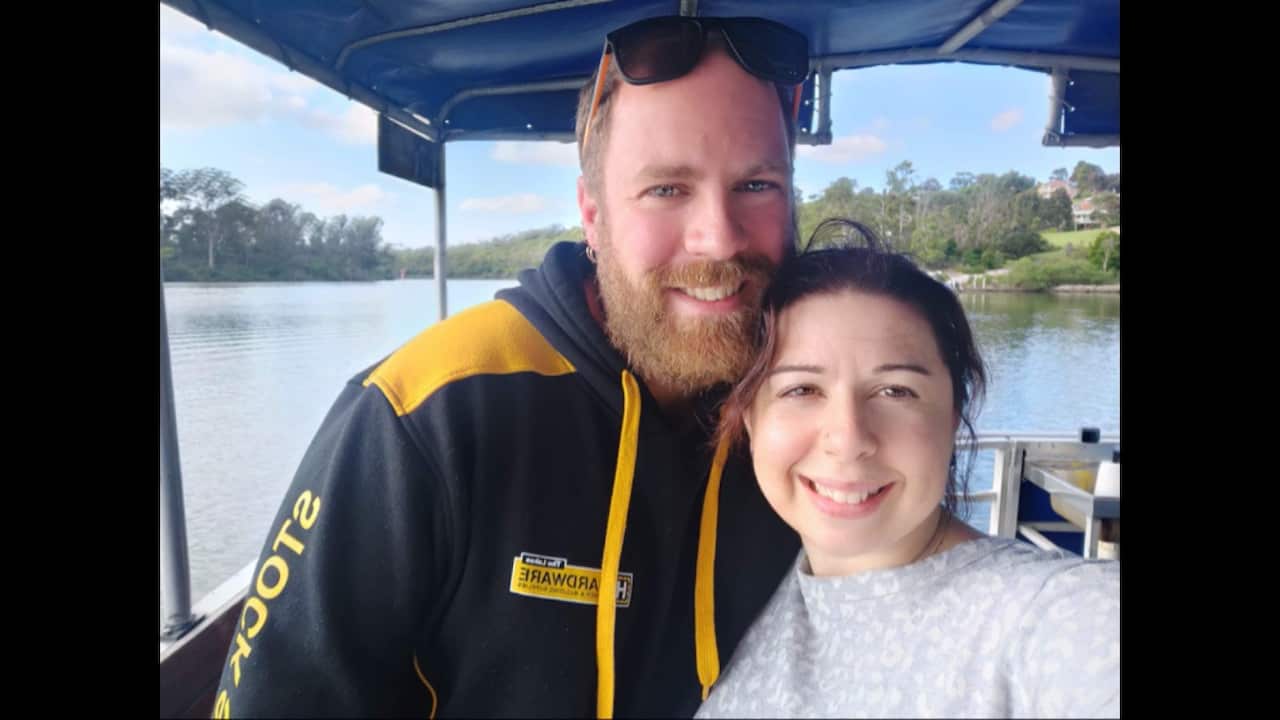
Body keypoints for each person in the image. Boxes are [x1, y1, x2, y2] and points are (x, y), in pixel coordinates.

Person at [213, 15, 812, 718]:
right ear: (592, 217)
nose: (719, 235)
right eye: (666, 190)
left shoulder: (819, 403)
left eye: (757, 185)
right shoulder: (425, 416)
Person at [697, 219, 1120, 718]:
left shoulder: (1055, 617)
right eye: (801, 390)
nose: (848, 439)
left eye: (896, 391)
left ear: (954, 415)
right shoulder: (733, 596)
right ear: (750, 417)